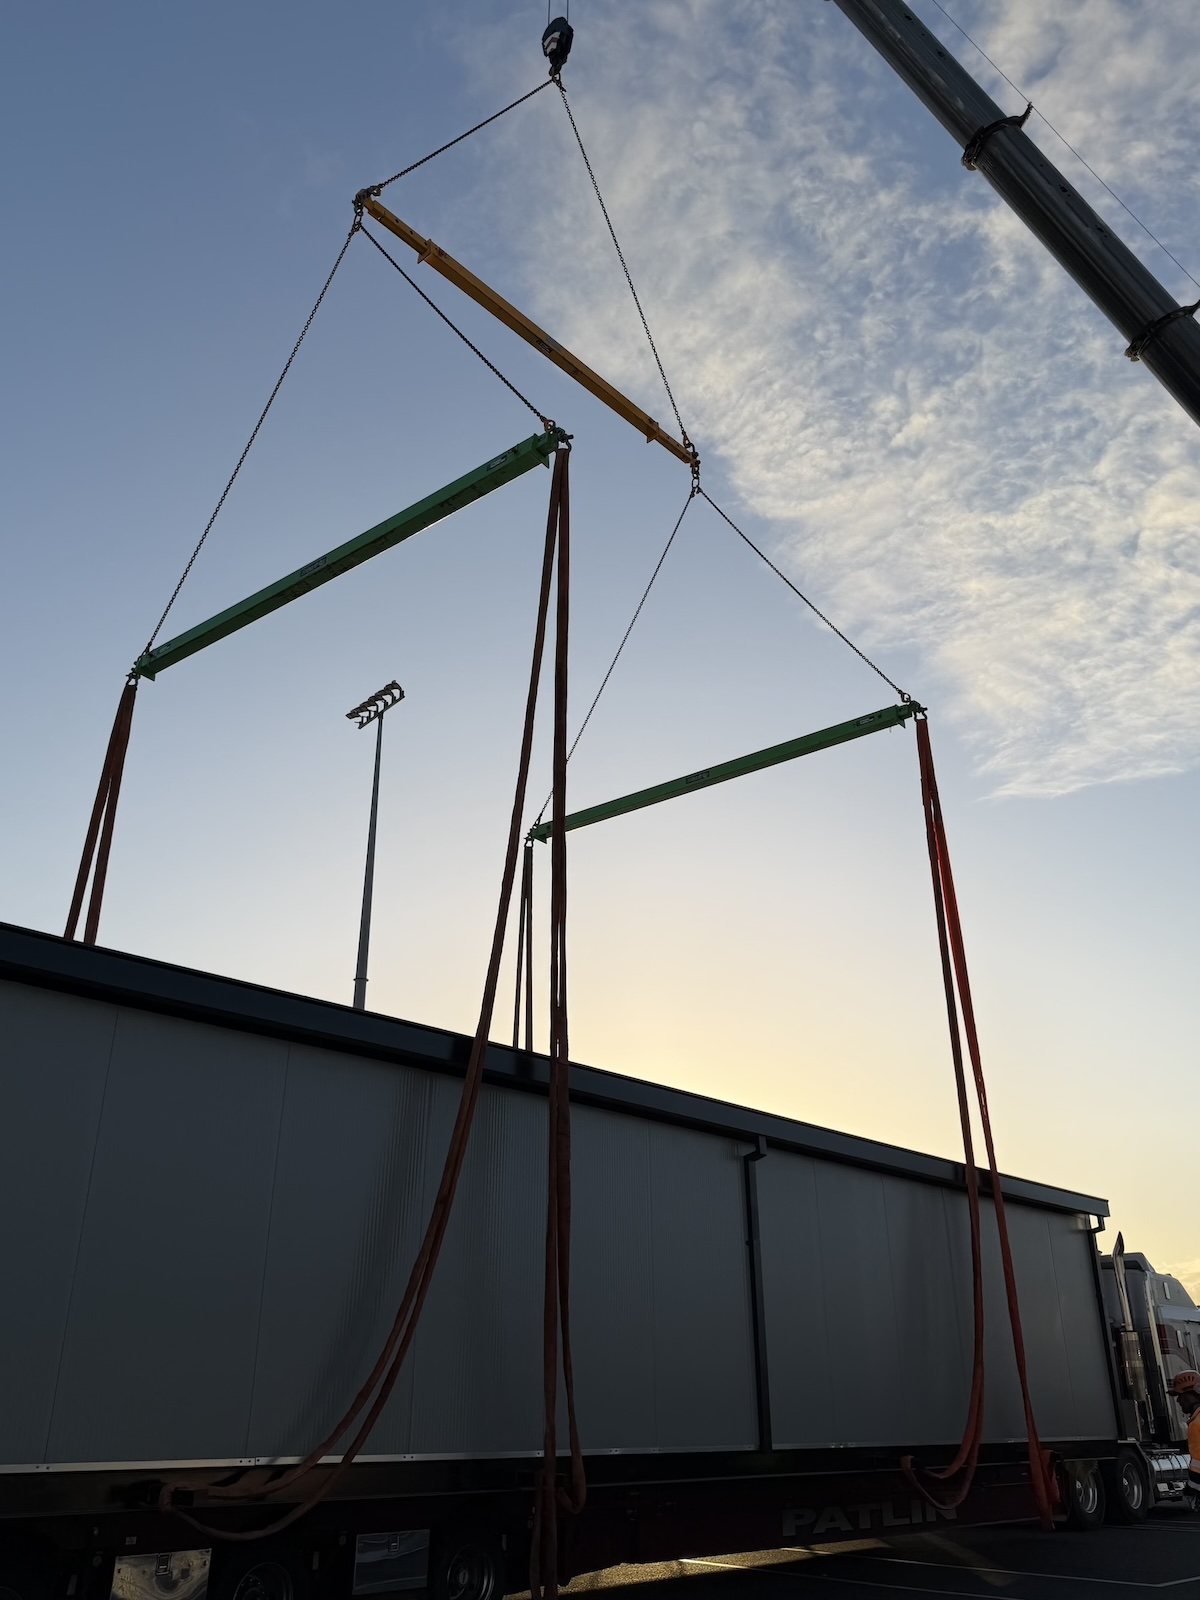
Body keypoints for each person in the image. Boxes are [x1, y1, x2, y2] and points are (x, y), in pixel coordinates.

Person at [1171, 1371, 1200, 1509]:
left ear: (1190, 1395)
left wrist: (1190, 1488)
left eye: (1180, 1396)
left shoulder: (1196, 1424)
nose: (1178, 1401)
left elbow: (1198, 1464)